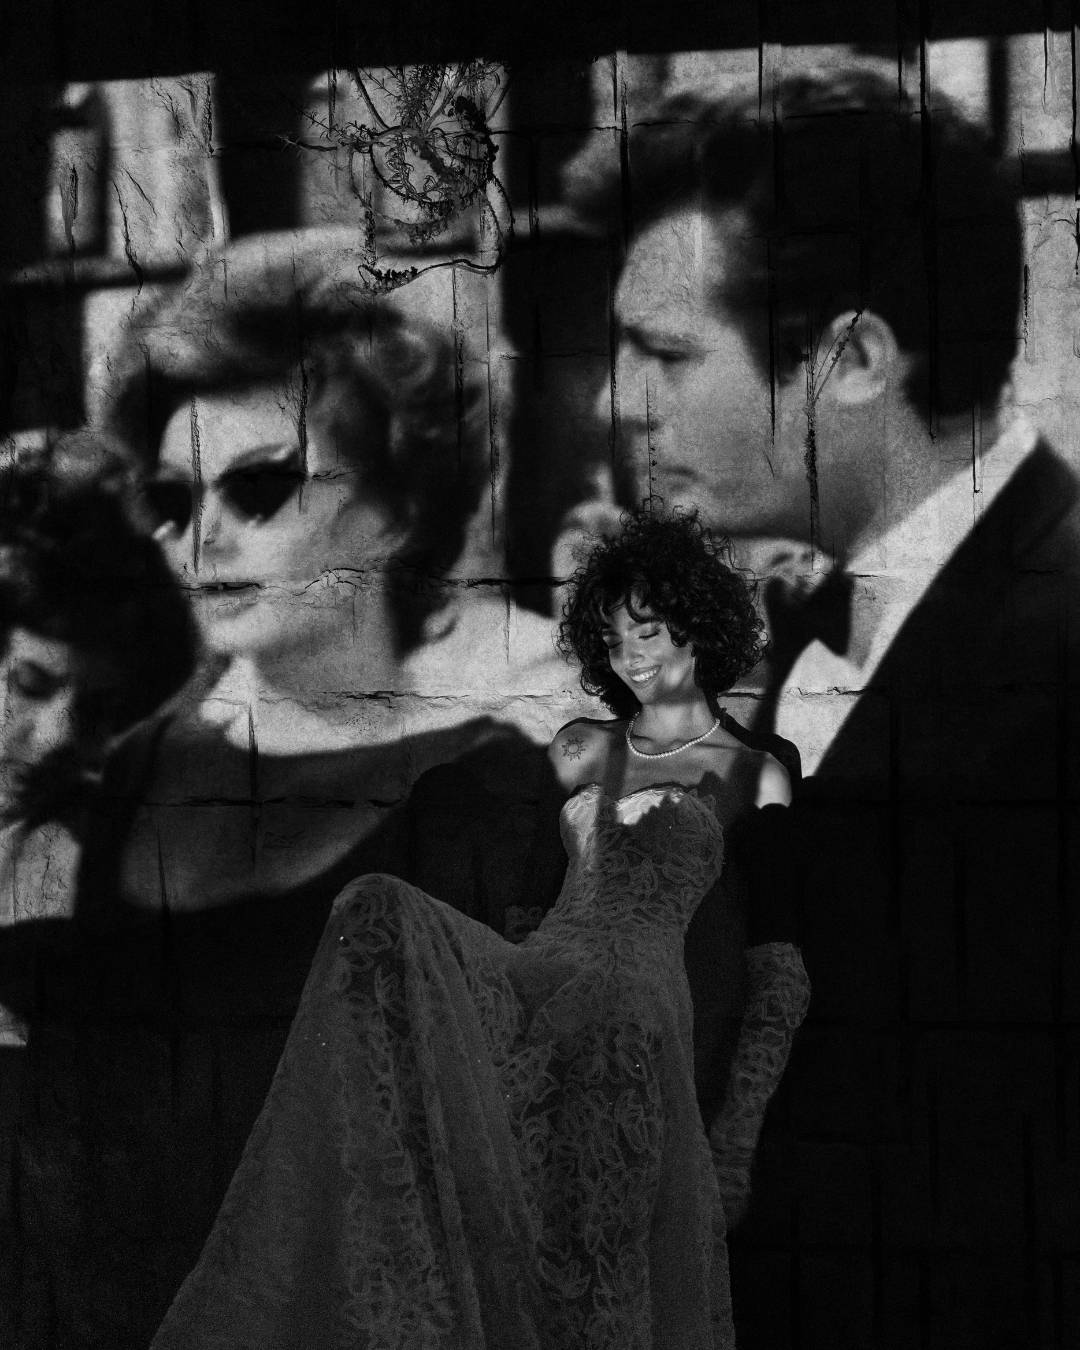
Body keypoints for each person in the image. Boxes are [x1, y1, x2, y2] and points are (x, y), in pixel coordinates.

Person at [573, 71, 1079, 1347]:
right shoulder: (804, 626)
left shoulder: (1054, 652)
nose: (614, 403)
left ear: (852, 360)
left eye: (667, 353)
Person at [149, 506, 809, 1348]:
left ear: (697, 623)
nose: (631, 656)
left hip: (637, 1020)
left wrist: (737, 1139)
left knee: (592, 1271)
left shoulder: (757, 769)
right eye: (613, 639)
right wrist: (503, 1022)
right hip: (541, 996)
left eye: (647, 630)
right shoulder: (578, 748)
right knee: (374, 908)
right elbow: (531, 912)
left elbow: (780, 968)